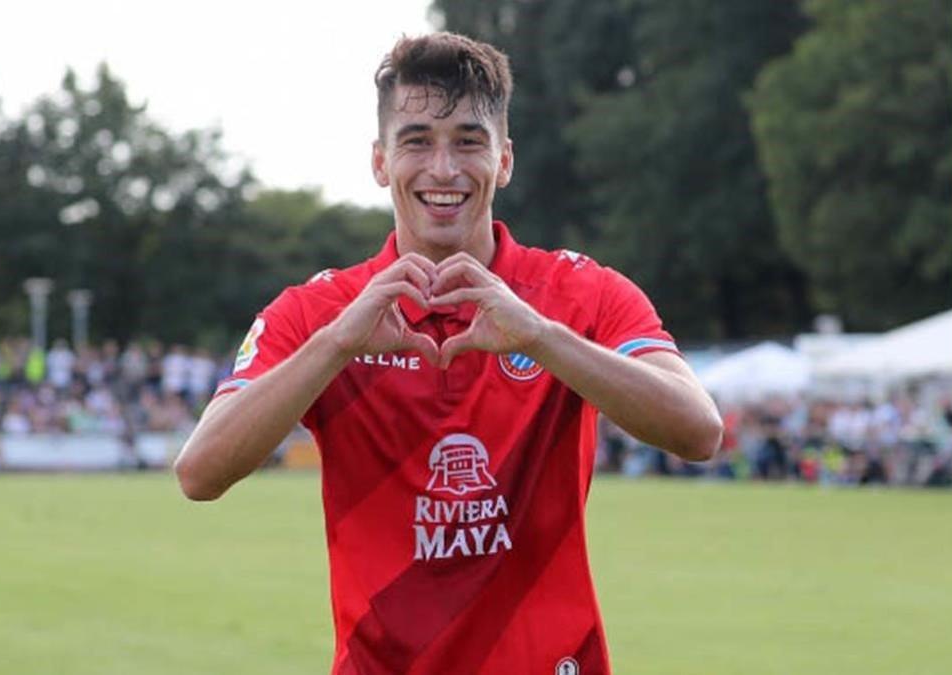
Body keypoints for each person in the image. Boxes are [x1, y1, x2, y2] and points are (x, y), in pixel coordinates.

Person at [175, 33, 722, 674]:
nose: (443, 169)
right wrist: (337, 346)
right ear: (381, 162)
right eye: (416, 141)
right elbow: (199, 473)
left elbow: (699, 430)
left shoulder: (580, 294)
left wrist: (540, 336)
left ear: (505, 159)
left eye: (468, 140)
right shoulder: (321, 313)